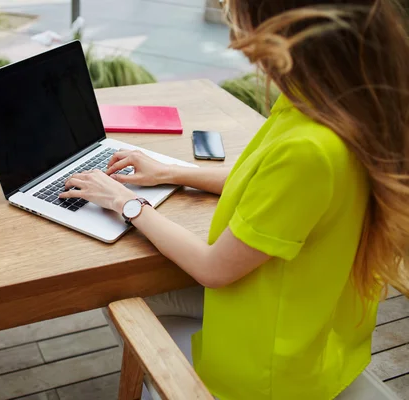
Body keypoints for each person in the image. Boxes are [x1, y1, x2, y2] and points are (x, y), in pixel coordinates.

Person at [59, 0, 409, 398]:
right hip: (310, 321)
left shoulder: (310, 148)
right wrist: (171, 172)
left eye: (238, 15)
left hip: (267, 372)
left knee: (114, 288)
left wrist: (127, 204)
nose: (234, 32)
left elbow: (213, 269)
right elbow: (268, 185)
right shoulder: (339, 107)